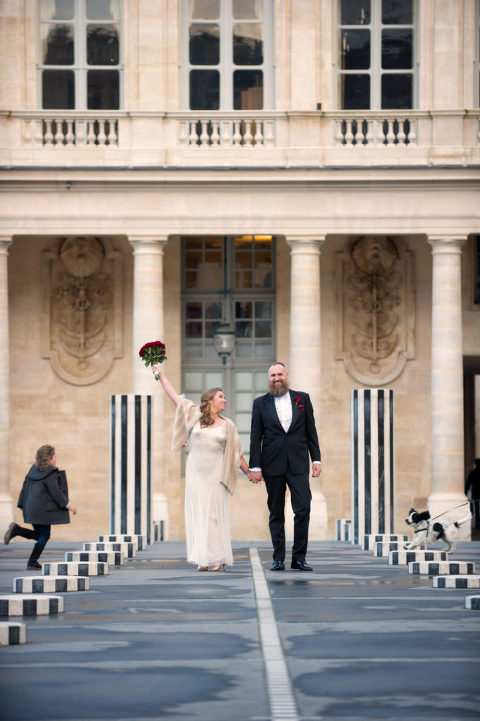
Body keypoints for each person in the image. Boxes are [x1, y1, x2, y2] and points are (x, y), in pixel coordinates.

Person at [152, 365, 254, 571]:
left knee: (212, 515)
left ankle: (217, 558)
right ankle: (204, 559)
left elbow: (237, 452)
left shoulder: (228, 425)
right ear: (209, 401)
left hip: (216, 475)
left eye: (224, 397)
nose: (224, 399)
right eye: (220, 396)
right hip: (196, 473)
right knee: (199, 513)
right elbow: (174, 397)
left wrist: (249, 472)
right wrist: (161, 375)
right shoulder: (194, 415)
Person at [249, 361, 321, 572]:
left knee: (303, 509)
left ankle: (299, 558)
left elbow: (311, 432)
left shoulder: (302, 399)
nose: (276, 378)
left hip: (298, 464)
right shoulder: (260, 403)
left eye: (280, 374)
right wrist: (255, 466)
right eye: (273, 375)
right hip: (272, 465)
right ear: (269, 378)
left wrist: (316, 459)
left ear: (286, 375)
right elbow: (255, 437)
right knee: (276, 513)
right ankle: (278, 558)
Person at [4, 445, 77, 570]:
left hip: (31, 509)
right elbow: (56, 492)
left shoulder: (32, 470)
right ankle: (32, 561)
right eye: (54, 456)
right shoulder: (51, 472)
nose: (56, 459)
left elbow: (24, 488)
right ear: (49, 459)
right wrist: (68, 505)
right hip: (43, 511)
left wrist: (22, 505)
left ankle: (17, 530)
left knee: (39, 534)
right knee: (44, 535)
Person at [465, 458, 480, 530]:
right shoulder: (473, 473)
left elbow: (468, 483)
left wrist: (465, 492)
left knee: (476, 509)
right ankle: (477, 523)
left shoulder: (473, 473)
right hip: (476, 492)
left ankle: (477, 523)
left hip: (476, 493)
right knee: (477, 508)